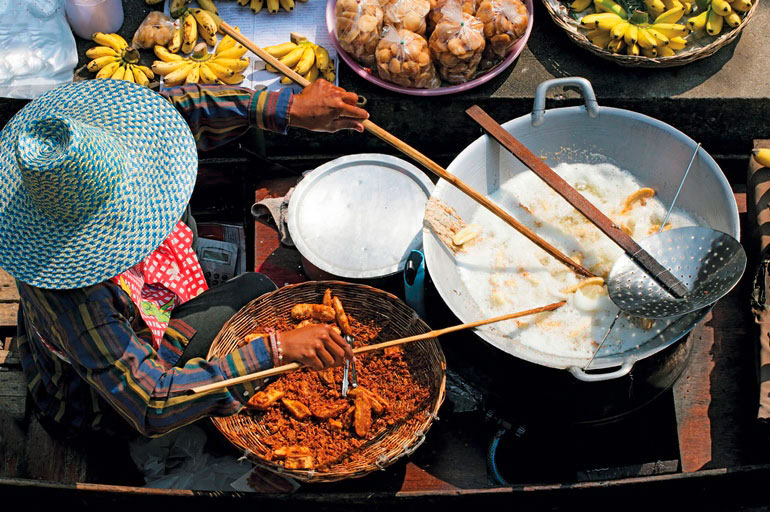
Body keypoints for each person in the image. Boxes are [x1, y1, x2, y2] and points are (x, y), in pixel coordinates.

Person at [0, 78, 368, 440]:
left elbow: (182, 108)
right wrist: (275, 350)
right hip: (104, 403)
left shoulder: (107, 140)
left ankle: (179, 306)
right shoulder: (76, 298)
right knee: (254, 291)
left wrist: (286, 108)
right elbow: (152, 403)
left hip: (139, 309)